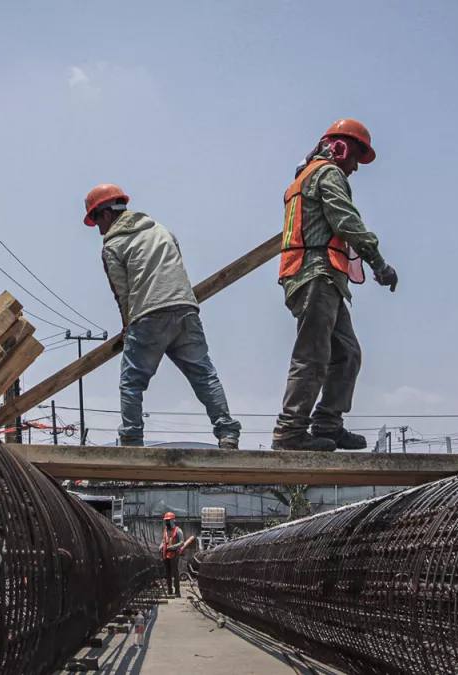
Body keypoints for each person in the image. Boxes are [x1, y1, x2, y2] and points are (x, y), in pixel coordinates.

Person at [271, 119, 398, 452]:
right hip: (316, 274)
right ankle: (290, 431)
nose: (356, 167)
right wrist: (378, 262)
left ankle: (328, 422)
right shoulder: (328, 174)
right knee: (313, 355)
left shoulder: (301, 180)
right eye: (355, 156)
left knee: (347, 353)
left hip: (321, 277)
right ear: (340, 149)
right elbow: (346, 220)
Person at [85, 184, 243, 450]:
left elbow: (122, 293)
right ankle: (227, 434)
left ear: (106, 214)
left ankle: (132, 441)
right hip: (185, 309)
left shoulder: (112, 245)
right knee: (204, 374)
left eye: (96, 220)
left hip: (148, 314)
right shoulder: (161, 230)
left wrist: (128, 327)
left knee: (132, 382)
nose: (99, 229)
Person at [158, 511, 190, 597]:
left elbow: (182, 543)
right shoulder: (165, 531)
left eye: (168, 520)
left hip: (174, 554)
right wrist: (161, 546)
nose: (167, 522)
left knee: (175, 573)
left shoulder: (178, 530)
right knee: (167, 573)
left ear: (172, 520)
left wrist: (172, 547)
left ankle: (177, 592)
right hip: (165, 554)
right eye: (166, 520)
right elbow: (163, 540)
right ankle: (169, 590)